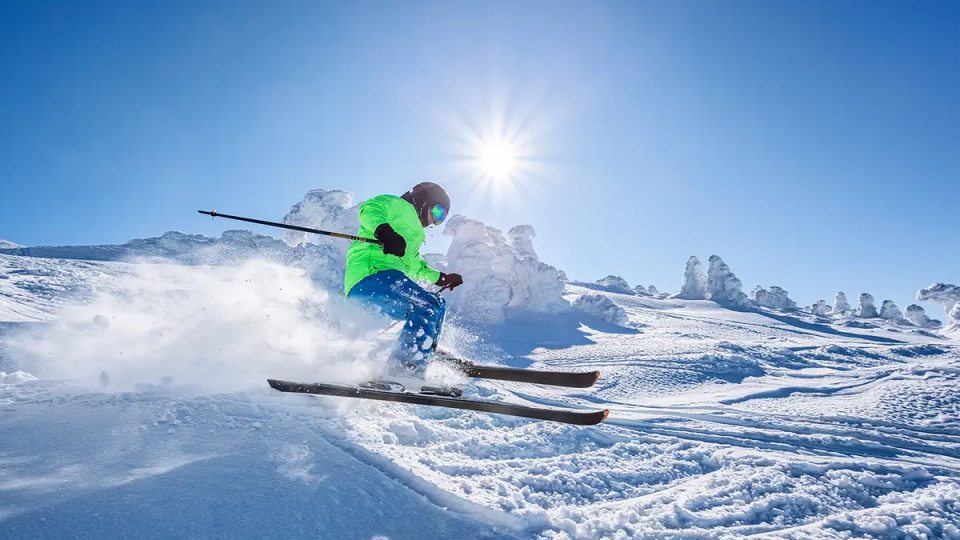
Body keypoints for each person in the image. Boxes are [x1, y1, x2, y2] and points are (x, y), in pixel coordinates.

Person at [344, 182, 464, 376]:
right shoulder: (397, 204)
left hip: (389, 279)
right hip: (371, 275)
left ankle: (423, 350)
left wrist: (441, 278)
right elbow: (370, 209)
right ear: (426, 200)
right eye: (438, 212)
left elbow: (415, 265)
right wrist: (384, 231)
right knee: (426, 306)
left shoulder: (416, 233)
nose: (435, 220)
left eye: (441, 218)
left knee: (437, 303)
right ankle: (403, 369)